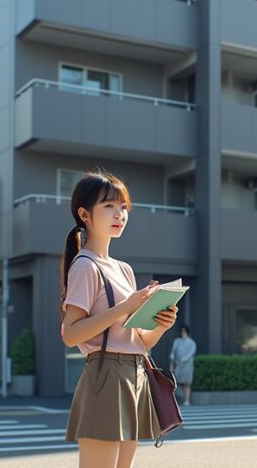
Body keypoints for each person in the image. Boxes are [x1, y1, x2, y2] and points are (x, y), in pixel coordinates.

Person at [61, 172, 179, 468]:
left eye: (123, 207)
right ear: (84, 214)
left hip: (134, 373)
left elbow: (139, 341)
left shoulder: (123, 269)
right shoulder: (85, 266)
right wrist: (126, 306)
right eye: (109, 206)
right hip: (106, 374)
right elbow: (70, 334)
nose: (120, 214)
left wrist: (161, 324)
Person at [170, 325, 197, 406]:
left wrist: (183, 359)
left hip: (187, 365)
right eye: (182, 331)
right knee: (175, 383)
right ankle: (174, 401)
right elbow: (173, 353)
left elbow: (191, 353)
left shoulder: (191, 343)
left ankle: (187, 401)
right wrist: (172, 364)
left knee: (187, 383)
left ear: (187, 332)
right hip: (178, 365)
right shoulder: (177, 341)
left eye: (184, 331)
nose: (183, 333)